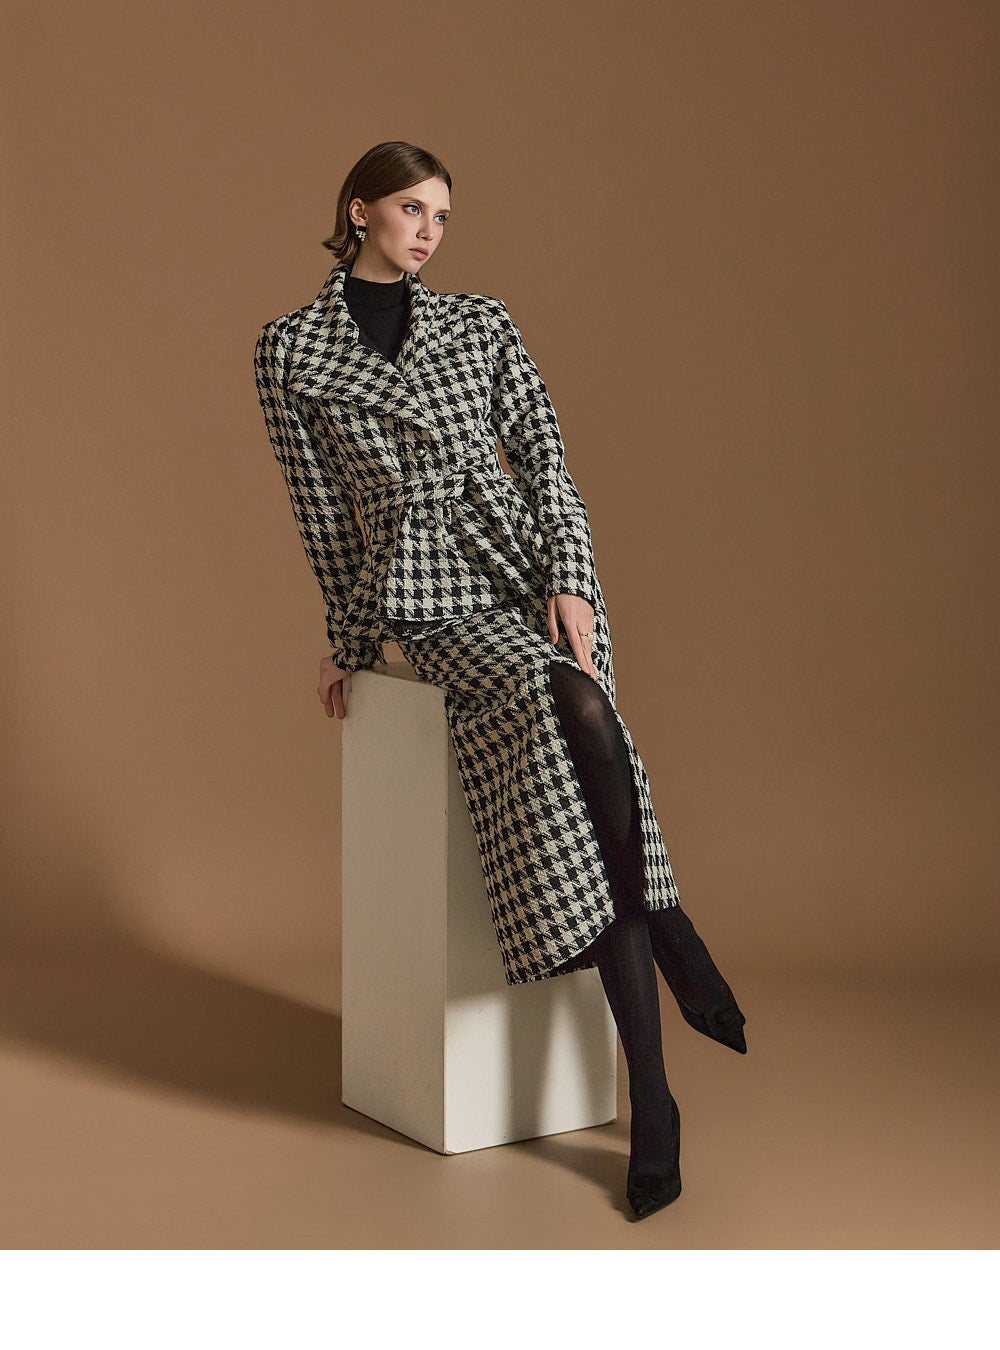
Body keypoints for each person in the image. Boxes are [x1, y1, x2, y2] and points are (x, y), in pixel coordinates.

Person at [253, 140, 748, 1220]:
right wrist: (350, 638)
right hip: (425, 594)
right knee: (571, 706)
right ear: (360, 211)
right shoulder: (289, 351)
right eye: (411, 209)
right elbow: (323, 516)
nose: (429, 232)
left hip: (523, 563)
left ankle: (655, 1097)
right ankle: (668, 947)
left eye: (442, 216)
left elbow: (546, 457)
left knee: (581, 771)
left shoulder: (482, 323)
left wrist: (569, 577)